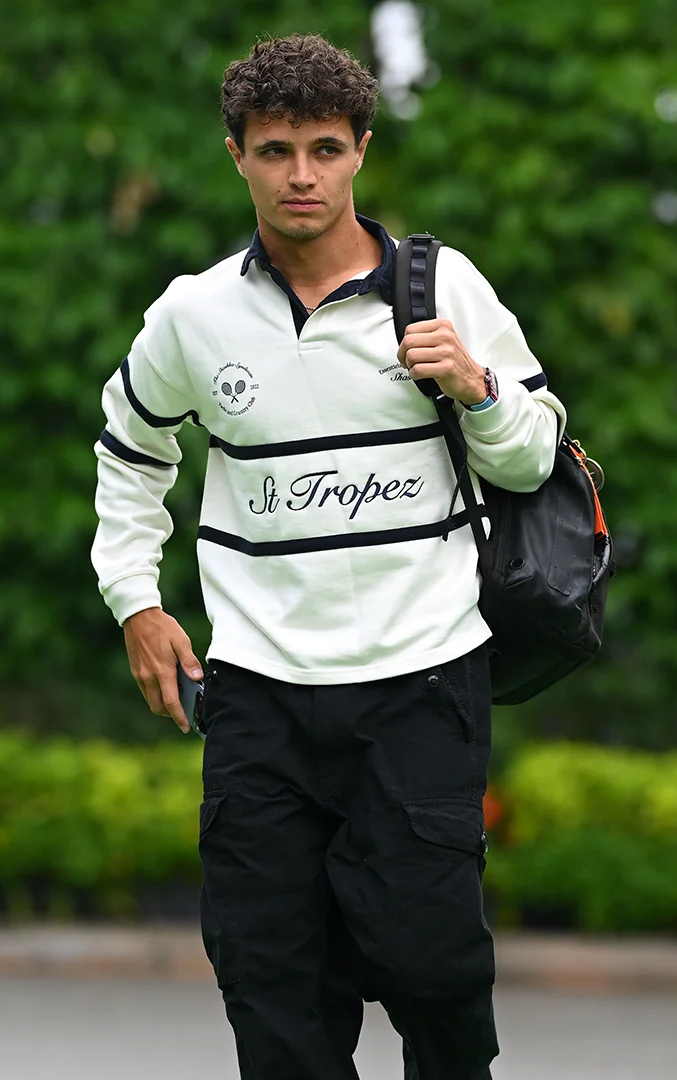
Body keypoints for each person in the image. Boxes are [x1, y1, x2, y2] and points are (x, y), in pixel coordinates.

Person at [90, 34, 564, 1080]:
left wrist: (476, 388)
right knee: (271, 987)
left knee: (434, 973)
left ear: (360, 152)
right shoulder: (193, 314)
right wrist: (136, 601)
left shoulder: (443, 289)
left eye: (322, 149)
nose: (300, 175)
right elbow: (131, 454)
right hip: (258, 692)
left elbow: (535, 460)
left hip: (424, 679)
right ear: (236, 156)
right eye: (273, 151)